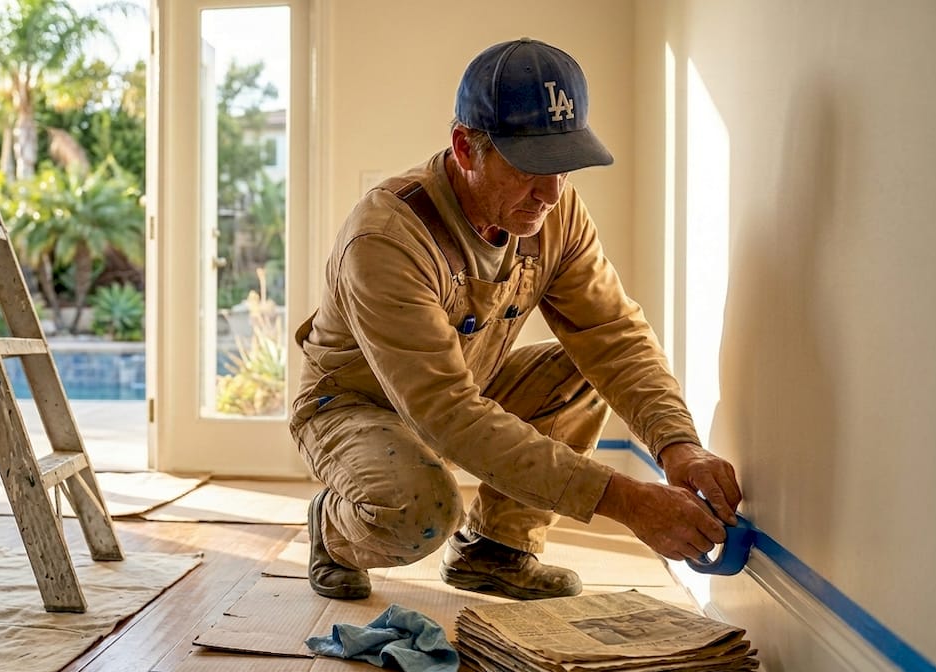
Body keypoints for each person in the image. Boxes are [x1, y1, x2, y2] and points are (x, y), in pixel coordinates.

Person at [289, 38, 742, 601]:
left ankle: (497, 553)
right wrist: (626, 501)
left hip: (463, 390)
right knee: (421, 512)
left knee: (585, 368)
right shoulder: (386, 237)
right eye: (531, 166)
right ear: (464, 147)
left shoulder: (556, 210)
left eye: (565, 165)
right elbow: (447, 414)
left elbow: (614, 337)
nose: (552, 192)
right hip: (355, 407)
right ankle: (333, 529)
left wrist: (679, 444)